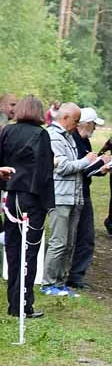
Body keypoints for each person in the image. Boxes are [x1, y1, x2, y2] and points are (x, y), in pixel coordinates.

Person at [41, 103, 105, 297]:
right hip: (60, 197)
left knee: (68, 243)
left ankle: (60, 283)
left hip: (74, 196)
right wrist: (88, 161)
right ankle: (48, 283)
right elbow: (62, 167)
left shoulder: (68, 137)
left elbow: (72, 166)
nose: (77, 125)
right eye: (76, 121)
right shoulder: (54, 137)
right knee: (58, 242)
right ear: (65, 117)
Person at [0, 96, 53, 318]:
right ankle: (23, 304)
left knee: (13, 251)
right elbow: (44, 172)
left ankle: (14, 302)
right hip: (31, 198)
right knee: (29, 251)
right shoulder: (41, 135)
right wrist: (48, 204)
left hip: (11, 196)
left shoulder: (7, 131)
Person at [67, 108, 107, 289]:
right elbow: (76, 166)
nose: (95, 129)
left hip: (84, 191)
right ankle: (65, 275)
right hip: (72, 193)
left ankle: (76, 275)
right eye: (93, 125)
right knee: (69, 237)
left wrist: (102, 168)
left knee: (86, 236)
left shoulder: (85, 142)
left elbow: (87, 168)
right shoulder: (72, 141)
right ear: (87, 123)